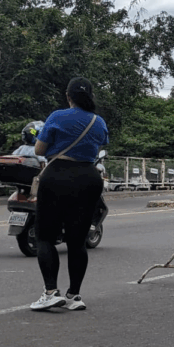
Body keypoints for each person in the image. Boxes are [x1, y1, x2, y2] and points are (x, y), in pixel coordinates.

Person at [30, 77, 109, 311]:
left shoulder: (57, 116)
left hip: (58, 175)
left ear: (68, 96)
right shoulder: (98, 121)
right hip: (89, 177)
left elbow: (39, 149)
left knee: (45, 236)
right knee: (77, 241)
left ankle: (51, 292)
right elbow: (100, 144)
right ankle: (74, 296)